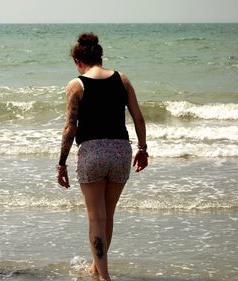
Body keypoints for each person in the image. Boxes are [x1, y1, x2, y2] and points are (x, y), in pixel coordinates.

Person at [57, 33, 148, 281]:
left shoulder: (76, 85)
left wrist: (61, 163)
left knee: (96, 217)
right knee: (108, 214)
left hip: (93, 153)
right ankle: (96, 268)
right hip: (120, 151)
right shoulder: (123, 79)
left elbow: (70, 127)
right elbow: (138, 117)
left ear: (78, 60)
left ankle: (104, 277)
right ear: (100, 56)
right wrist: (143, 148)